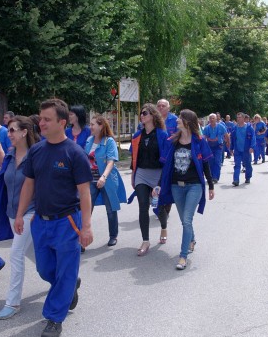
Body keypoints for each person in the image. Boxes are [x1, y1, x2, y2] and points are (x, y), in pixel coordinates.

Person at [14, 98, 93, 337]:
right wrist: (19, 214)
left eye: (47, 119)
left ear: (62, 122)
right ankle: (69, 285)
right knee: (44, 268)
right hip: (41, 221)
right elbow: (29, 184)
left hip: (67, 222)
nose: (42, 123)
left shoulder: (74, 153)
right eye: (41, 118)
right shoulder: (37, 150)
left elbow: (84, 192)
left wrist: (86, 227)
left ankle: (54, 318)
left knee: (65, 270)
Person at [0, 116, 40, 320]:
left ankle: (13, 302)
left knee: (16, 253)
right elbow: (0, 165)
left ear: (24, 132)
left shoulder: (35, 156)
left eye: (12, 130)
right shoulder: (11, 155)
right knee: (32, 254)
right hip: (13, 214)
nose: (9, 134)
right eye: (8, 130)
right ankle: (65, 280)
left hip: (30, 212)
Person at [158, 109, 214, 270]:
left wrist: (210, 185)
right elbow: (166, 166)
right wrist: (159, 184)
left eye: (180, 119)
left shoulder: (199, 141)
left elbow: (205, 165)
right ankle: (192, 239)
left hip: (194, 186)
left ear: (187, 122)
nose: (176, 121)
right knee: (184, 220)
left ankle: (183, 256)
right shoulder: (172, 141)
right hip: (176, 186)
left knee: (187, 220)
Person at [129, 103, 169, 254]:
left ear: (152, 115)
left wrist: (160, 182)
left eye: (145, 113)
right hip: (141, 174)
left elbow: (166, 160)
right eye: (141, 113)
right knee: (143, 206)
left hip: (157, 174)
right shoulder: (137, 136)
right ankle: (145, 241)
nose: (142, 115)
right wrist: (133, 176)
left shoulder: (162, 135)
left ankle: (164, 228)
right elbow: (134, 158)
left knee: (158, 207)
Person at [85, 115, 127, 247]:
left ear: (101, 126)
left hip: (106, 180)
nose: (90, 127)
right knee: (86, 209)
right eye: (90, 124)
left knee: (110, 209)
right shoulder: (89, 140)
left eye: (93, 124)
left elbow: (111, 161)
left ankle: (113, 235)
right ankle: (82, 239)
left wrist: (103, 177)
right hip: (90, 180)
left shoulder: (109, 141)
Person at [230, 112, 256, 186]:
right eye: (237, 117)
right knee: (237, 165)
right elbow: (233, 139)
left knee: (247, 165)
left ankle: (248, 177)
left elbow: (253, 138)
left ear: (243, 118)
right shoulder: (234, 128)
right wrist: (231, 148)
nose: (238, 119)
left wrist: (252, 147)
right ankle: (236, 180)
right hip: (237, 150)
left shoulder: (249, 127)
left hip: (246, 150)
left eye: (240, 117)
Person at [202, 113, 229, 183]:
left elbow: (226, 135)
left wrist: (228, 143)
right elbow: (204, 137)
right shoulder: (207, 128)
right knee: (210, 162)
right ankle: (210, 177)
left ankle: (215, 177)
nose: (211, 119)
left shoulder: (221, 126)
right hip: (209, 146)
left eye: (213, 118)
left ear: (216, 119)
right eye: (210, 118)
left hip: (218, 146)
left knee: (217, 161)